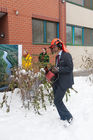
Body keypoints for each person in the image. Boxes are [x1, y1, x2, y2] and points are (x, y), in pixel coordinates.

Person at [49, 38, 74, 126]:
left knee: (57, 100)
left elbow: (70, 68)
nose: (52, 49)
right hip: (57, 81)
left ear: (59, 46)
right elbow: (57, 69)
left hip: (64, 82)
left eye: (53, 47)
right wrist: (51, 71)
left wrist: (59, 69)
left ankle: (68, 116)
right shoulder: (57, 57)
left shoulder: (66, 55)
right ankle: (63, 117)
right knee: (57, 100)